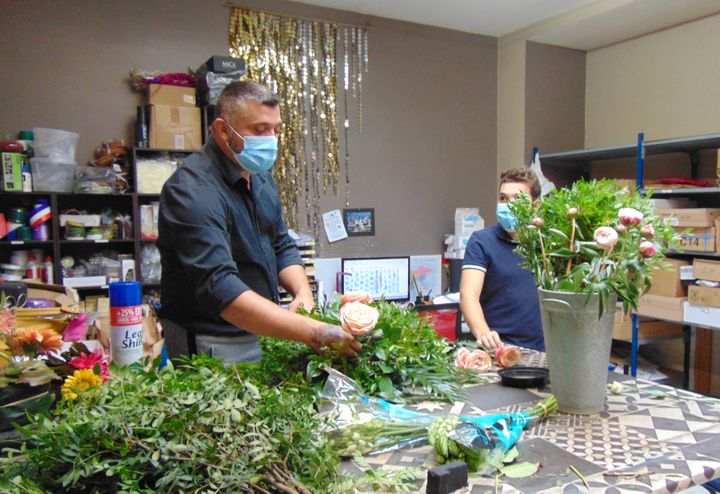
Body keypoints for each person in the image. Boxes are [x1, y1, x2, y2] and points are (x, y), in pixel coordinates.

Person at [157, 80, 361, 363]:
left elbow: (281, 244)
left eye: (276, 130)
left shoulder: (259, 175)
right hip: (213, 340)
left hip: (264, 332)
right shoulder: (192, 191)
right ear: (222, 130)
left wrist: (303, 293)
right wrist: (311, 330)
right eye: (259, 130)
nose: (270, 140)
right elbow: (220, 286)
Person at [459, 167, 544, 351]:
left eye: (518, 199)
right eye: (503, 198)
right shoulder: (481, 242)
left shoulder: (548, 244)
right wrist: (484, 334)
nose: (508, 204)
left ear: (535, 206)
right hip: (500, 351)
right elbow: (468, 294)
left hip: (545, 351)